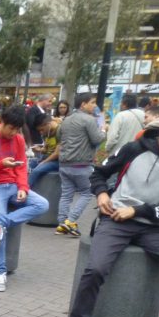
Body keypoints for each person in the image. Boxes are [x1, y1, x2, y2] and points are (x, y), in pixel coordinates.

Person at [58, 119, 159, 317]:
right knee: (95, 269)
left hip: (153, 226)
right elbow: (99, 173)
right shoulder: (133, 149)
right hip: (116, 219)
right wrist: (102, 193)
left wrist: (138, 211)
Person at [0, 105, 49, 292]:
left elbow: (21, 167)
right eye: (10, 128)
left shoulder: (19, 140)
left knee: (42, 204)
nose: (13, 133)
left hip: (12, 185)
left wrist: (23, 187)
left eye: (17, 129)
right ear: (2, 123)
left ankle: (2, 223)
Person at [56, 93, 106, 237]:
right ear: (83, 104)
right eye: (92, 102)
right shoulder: (89, 120)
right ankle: (70, 221)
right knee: (86, 193)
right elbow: (97, 139)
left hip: (64, 164)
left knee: (66, 195)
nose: (95, 105)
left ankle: (61, 224)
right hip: (81, 164)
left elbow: (59, 136)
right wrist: (103, 130)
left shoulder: (66, 119)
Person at [28, 114, 60, 189]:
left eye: (42, 130)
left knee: (36, 170)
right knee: (29, 164)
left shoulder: (60, 130)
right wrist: (39, 149)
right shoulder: (47, 133)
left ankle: (25, 190)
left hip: (57, 161)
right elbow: (45, 149)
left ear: (48, 124)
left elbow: (57, 153)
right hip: (46, 158)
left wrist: (44, 162)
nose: (41, 133)